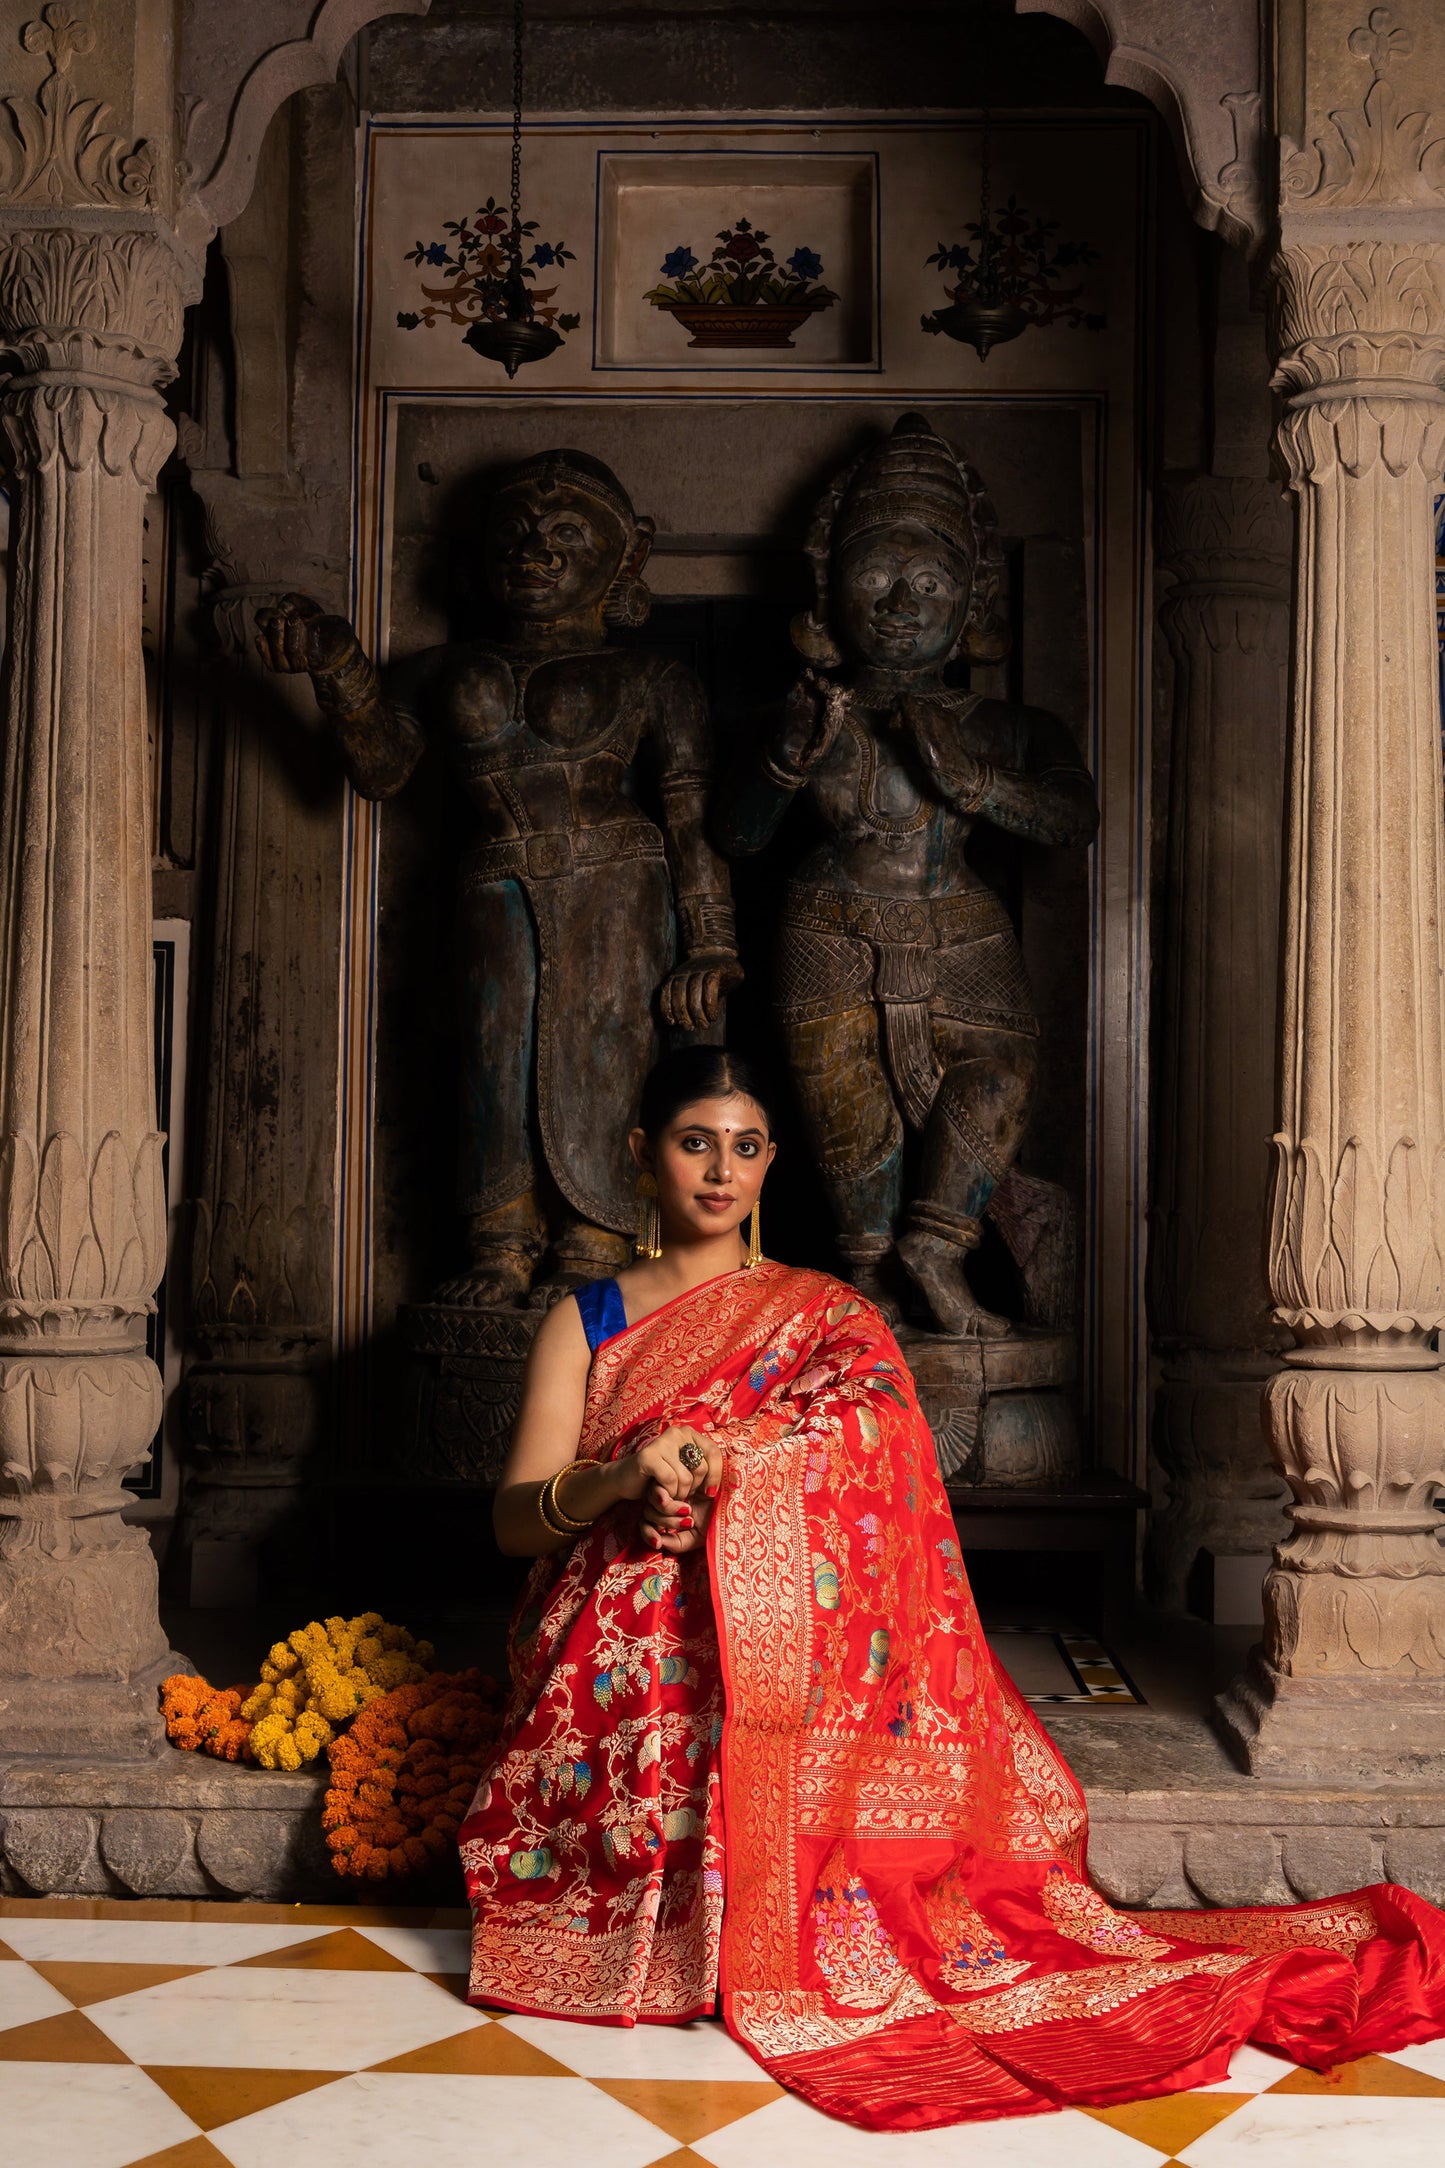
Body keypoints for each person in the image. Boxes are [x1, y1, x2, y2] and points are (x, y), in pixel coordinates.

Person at [460, 1046, 1445, 2131]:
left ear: (771, 1160)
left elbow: (873, 1433)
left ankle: (742, 1902)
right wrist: (621, 1479)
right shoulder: (585, 1317)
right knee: (651, 1624)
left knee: (737, 1628)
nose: (719, 1171)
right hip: (615, 1610)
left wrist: (728, 1467)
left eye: (744, 1147)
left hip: (776, 1626)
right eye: (696, 1141)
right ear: (642, 1153)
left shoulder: (823, 1314)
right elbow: (515, 1518)